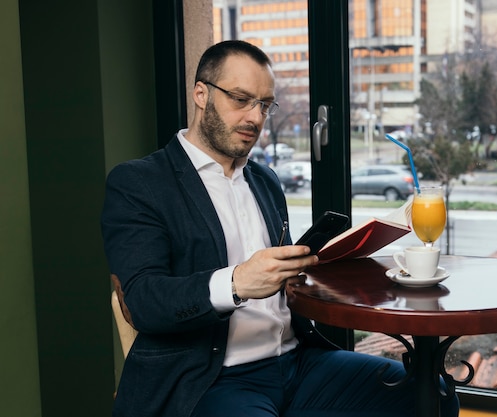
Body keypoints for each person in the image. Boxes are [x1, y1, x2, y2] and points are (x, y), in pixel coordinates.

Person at [101, 40, 459, 417]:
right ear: (201, 94)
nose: (255, 118)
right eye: (241, 99)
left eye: (265, 105)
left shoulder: (265, 180)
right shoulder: (140, 183)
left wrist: (321, 263)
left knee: (433, 394)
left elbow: (284, 283)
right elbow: (143, 301)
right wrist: (237, 283)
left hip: (299, 361)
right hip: (211, 378)